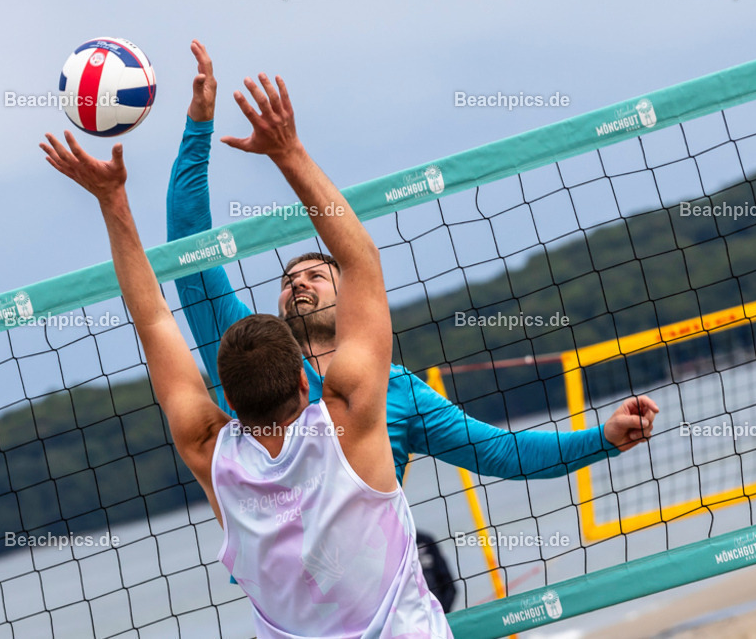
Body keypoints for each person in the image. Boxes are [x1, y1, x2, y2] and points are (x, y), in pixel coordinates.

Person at [40, 71, 452, 637]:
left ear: (227, 400)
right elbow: (362, 264)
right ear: (307, 384)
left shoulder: (210, 452)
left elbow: (154, 318)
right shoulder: (352, 417)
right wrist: (289, 153)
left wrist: (113, 201)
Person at [167, 39, 658, 489]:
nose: (298, 283)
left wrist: (603, 437)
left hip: (379, 583)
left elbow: (503, 452)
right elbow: (190, 251)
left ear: (351, 302)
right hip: (282, 586)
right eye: (289, 280)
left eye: (317, 275)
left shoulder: (393, 388)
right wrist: (199, 127)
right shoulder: (245, 358)